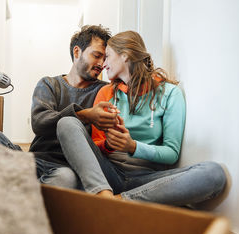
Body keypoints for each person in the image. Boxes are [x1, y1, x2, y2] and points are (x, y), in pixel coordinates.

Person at [56, 30, 227, 207]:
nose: (103, 64)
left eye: (107, 56)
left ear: (125, 55)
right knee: (67, 123)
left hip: (148, 178)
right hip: (107, 174)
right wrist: (109, 145)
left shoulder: (170, 94)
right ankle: (105, 196)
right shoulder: (105, 93)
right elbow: (94, 147)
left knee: (214, 174)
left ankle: (117, 202)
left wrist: (133, 146)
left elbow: (172, 153)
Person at [0, 25, 119, 196]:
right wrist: (86, 115)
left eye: (104, 59)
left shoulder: (105, 92)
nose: (101, 64)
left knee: (65, 178)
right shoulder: (49, 84)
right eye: (97, 55)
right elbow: (39, 122)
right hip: (32, 160)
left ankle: (15, 193)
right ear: (77, 52)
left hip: (65, 169)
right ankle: (19, 188)